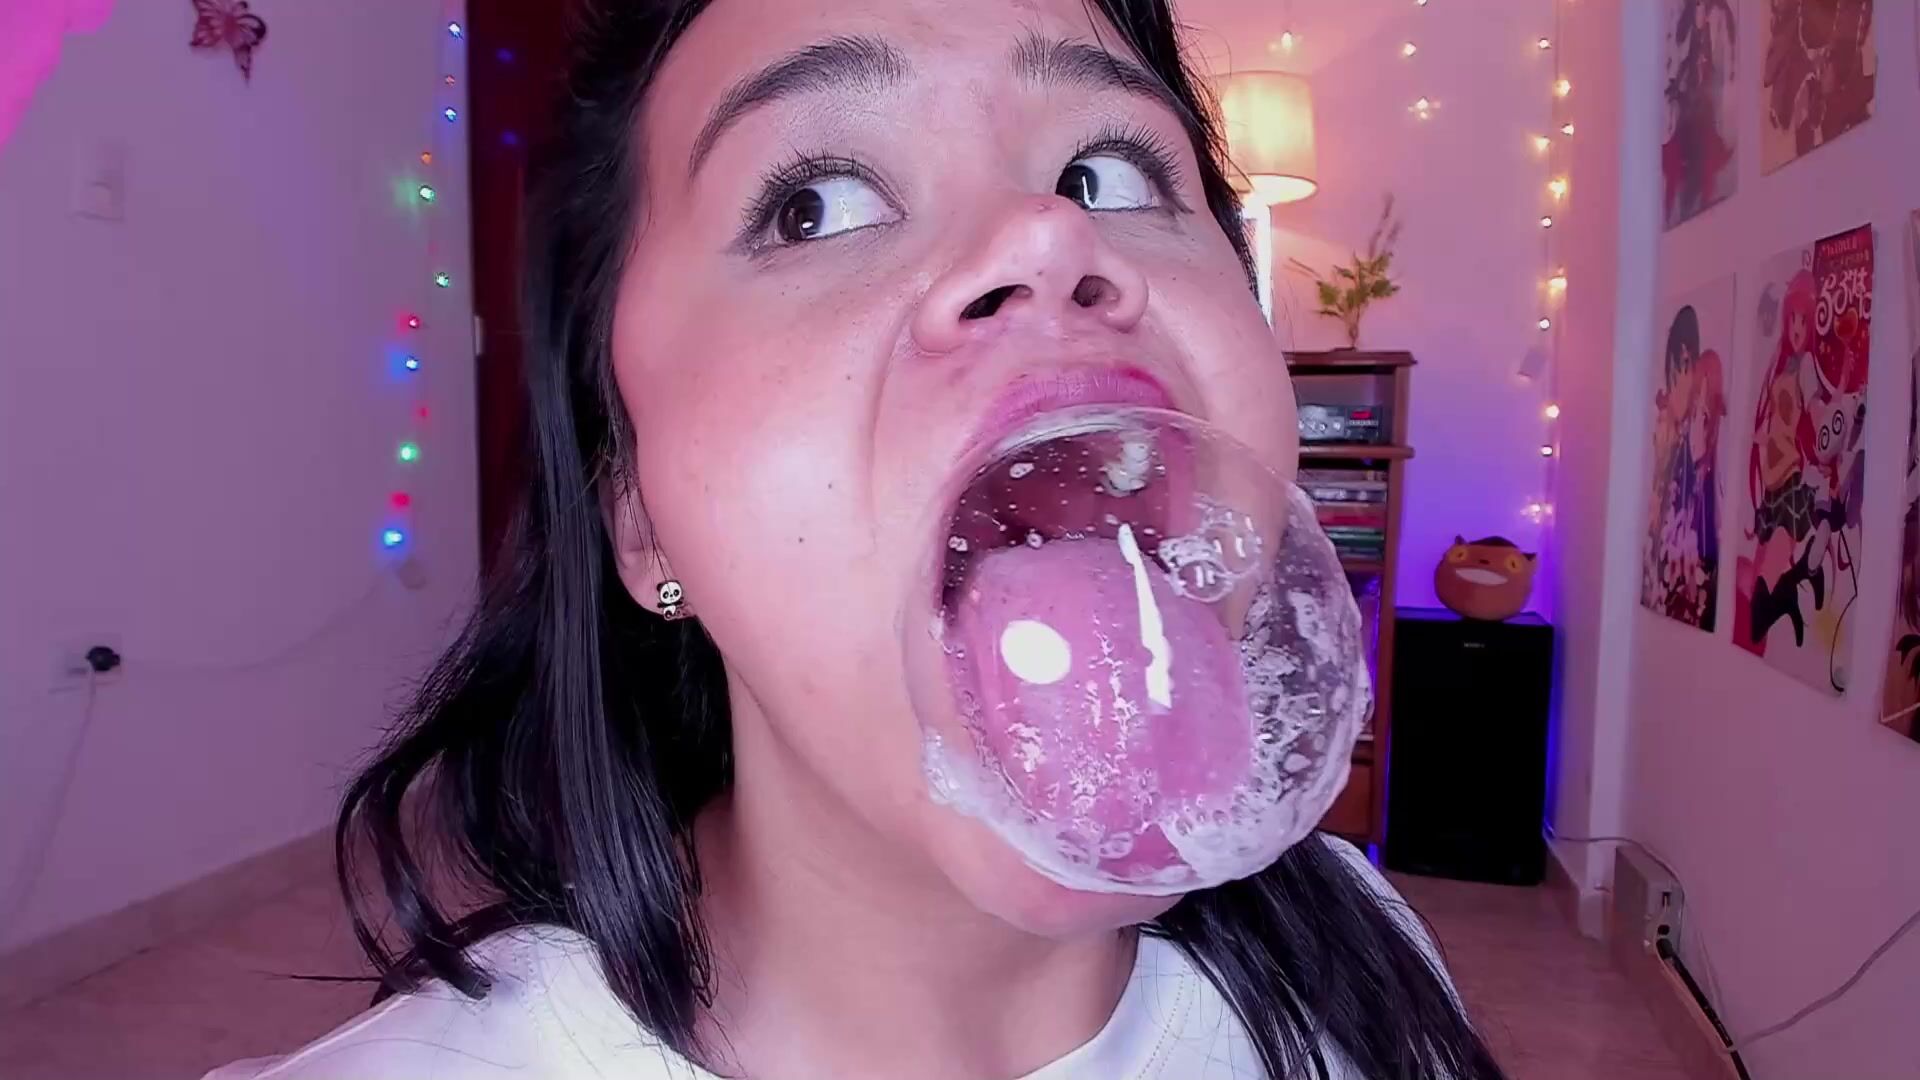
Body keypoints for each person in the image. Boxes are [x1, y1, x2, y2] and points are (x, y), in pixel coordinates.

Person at [207, 1, 1504, 1077]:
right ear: (639, 517)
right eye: (813, 203)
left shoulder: (1366, 956)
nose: (1048, 233)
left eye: (1107, 173)